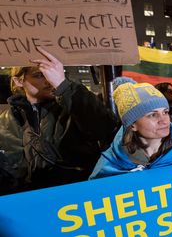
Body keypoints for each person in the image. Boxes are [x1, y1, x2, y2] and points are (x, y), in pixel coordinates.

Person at [0, 47, 119, 195]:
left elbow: (105, 127)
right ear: (18, 80)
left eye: (51, 73)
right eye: (39, 75)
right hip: (28, 205)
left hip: (75, 197)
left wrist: (63, 86)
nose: (48, 80)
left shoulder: (73, 107)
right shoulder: (4, 122)